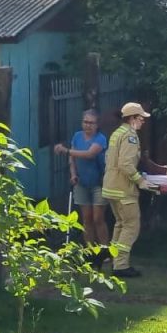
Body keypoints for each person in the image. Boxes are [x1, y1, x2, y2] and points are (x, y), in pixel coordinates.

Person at [102, 102, 156, 278]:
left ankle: (115, 260)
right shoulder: (130, 136)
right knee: (131, 226)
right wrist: (139, 180)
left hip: (111, 186)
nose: (142, 122)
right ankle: (121, 266)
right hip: (123, 188)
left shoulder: (117, 133)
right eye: (140, 118)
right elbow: (125, 164)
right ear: (132, 118)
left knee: (120, 224)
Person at [54, 109, 110, 269]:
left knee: (98, 218)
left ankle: (105, 251)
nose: (88, 125)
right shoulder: (77, 136)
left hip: (99, 182)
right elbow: (73, 159)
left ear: (97, 125)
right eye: (85, 122)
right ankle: (90, 251)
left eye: (91, 123)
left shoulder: (100, 139)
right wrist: (73, 174)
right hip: (81, 183)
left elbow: (89, 154)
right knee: (86, 219)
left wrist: (65, 150)